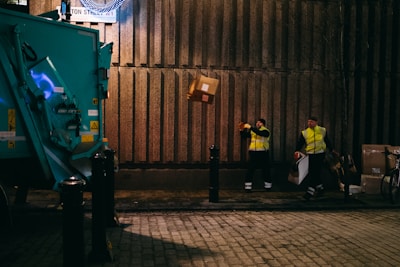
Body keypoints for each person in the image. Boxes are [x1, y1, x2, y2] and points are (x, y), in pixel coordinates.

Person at [295, 116, 336, 200]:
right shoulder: (305, 132)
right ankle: (321, 188)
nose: (310, 123)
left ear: (316, 122)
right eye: (309, 122)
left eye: (312, 122)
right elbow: (300, 142)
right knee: (314, 172)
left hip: (320, 153)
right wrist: (296, 150)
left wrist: (332, 149)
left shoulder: (322, 130)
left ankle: (310, 192)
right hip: (311, 154)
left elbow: (327, 141)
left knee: (314, 172)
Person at [239, 118, 272, 192]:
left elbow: (260, 133)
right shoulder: (253, 132)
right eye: (257, 122)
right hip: (253, 153)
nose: (257, 124)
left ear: (263, 124)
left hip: (263, 153)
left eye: (259, 123)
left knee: (265, 169)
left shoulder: (266, 131)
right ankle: (248, 187)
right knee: (250, 169)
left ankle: (268, 186)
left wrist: (250, 127)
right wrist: (241, 130)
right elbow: (244, 136)